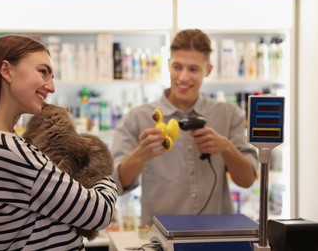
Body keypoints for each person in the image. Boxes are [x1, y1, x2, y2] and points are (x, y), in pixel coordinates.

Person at [0, 35, 117, 251]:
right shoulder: (5, 149)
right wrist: (105, 176)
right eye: (43, 72)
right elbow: (98, 213)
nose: (52, 87)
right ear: (6, 70)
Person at [111, 29, 258, 226]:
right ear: (168, 66)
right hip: (159, 240)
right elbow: (115, 185)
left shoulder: (228, 115)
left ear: (208, 70)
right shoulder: (137, 118)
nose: (183, 77)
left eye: (193, 69)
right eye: (177, 67)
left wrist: (225, 148)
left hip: (216, 237)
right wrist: (141, 153)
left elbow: (247, 180)